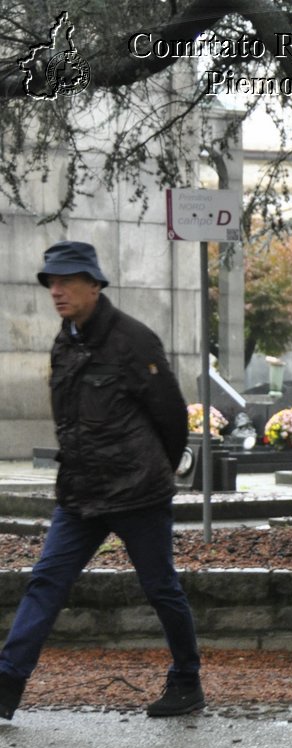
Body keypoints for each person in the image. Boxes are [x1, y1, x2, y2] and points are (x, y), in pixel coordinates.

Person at [0, 240, 202, 722]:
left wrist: (152, 469)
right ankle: (6, 683)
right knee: (46, 581)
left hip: (138, 494)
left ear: (94, 285)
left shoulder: (134, 340)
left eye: (67, 280)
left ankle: (187, 680)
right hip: (81, 494)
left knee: (161, 588)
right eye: (52, 281)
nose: (57, 290)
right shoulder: (64, 341)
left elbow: (172, 418)